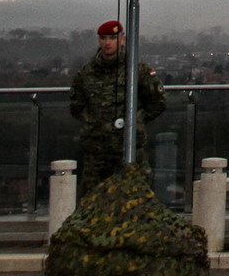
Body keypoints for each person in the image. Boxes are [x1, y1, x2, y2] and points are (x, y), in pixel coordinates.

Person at [68, 19, 166, 194]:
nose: (107, 43)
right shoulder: (87, 73)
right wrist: (94, 123)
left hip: (129, 146)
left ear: (122, 39)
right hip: (97, 150)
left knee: (136, 197)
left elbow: (157, 101)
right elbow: (77, 106)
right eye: (104, 38)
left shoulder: (137, 70)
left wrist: (137, 120)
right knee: (92, 200)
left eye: (112, 38)